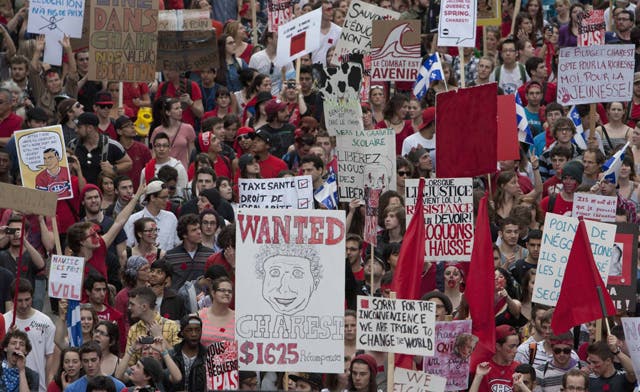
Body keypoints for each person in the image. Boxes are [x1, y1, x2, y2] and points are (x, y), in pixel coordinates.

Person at [4, 279, 55, 392]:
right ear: (12, 300)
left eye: (27, 299)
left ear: (33, 297)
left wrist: (49, 385)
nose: (24, 305)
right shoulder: (3, 321)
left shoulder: (46, 322)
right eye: (20, 301)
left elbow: (50, 357)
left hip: (38, 387)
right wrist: (7, 338)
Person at [70, 112, 132, 186]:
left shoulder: (112, 145)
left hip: (103, 193)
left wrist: (113, 168)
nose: (76, 130)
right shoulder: (73, 145)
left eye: (79, 127)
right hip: (80, 192)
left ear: (90, 128)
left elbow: (128, 163)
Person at [124, 287, 181, 366]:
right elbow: (130, 363)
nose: (129, 307)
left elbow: (178, 358)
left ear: (144, 307)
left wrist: (159, 336)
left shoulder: (172, 326)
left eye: (132, 304)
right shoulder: (133, 329)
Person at [124, 180, 181, 251]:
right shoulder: (133, 219)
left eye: (167, 197)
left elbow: (177, 243)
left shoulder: (171, 217)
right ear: (152, 197)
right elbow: (128, 246)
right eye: (163, 198)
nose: (167, 201)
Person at [165, 214, 215, 292]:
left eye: (199, 228)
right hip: (178, 300)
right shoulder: (170, 256)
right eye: (194, 230)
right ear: (184, 234)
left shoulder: (210, 254)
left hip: (203, 300)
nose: (199, 232)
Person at [469, 325, 521, 392]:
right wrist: (478, 376)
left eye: (517, 346)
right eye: (511, 346)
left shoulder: (518, 368)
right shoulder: (483, 368)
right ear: (498, 346)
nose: (516, 350)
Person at [170, 314, 206, 392]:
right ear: (182, 333)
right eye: (189, 330)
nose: (194, 334)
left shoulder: (208, 356)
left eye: (198, 330)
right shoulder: (172, 354)